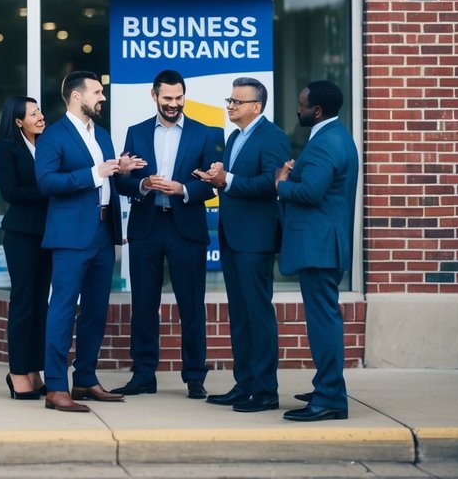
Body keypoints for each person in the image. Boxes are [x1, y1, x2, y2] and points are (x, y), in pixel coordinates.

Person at [35, 71, 144, 412]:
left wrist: (125, 173)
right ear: (77, 96)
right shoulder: (54, 136)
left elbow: (109, 181)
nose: (103, 97)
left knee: (96, 311)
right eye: (97, 92)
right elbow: (46, 183)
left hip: (103, 232)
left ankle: (84, 379)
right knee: (63, 309)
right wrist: (95, 173)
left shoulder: (102, 136)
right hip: (70, 236)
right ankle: (55, 387)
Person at [111, 69, 221, 400]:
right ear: (154, 96)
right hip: (146, 227)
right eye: (167, 98)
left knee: (191, 305)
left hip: (185, 227)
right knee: (144, 304)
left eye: (178, 98)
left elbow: (213, 183)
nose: (173, 104)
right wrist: (143, 184)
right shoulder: (136, 132)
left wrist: (183, 189)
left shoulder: (205, 134)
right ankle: (144, 374)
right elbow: (122, 180)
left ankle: (194, 377)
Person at [195, 77, 291, 413]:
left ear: (257, 106)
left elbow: (271, 183)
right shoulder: (235, 137)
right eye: (230, 100)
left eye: (238, 101)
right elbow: (235, 182)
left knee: (257, 313)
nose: (230, 105)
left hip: (256, 239)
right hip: (233, 236)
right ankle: (245, 383)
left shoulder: (273, 136)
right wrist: (219, 176)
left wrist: (229, 180)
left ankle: (266, 390)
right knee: (240, 314)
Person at [274, 80, 359, 422]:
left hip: (319, 246)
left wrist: (281, 182)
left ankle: (329, 398)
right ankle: (328, 388)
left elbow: (310, 193)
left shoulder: (326, 143)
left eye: (303, 105)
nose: (298, 109)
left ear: (317, 110)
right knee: (324, 320)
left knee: (323, 322)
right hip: (323, 243)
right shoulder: (335, 135)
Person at [0, 96, 50, 400]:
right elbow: (12, 192)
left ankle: (35, 369)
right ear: (18, 121)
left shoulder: (47, 145)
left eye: (39, 110)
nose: (41, 116)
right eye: (33, 113)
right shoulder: (5, 148)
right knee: (24, 302)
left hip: (48, 234)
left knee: (42, 304)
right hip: (21, 235)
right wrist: (53, 188)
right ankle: (17, 372)